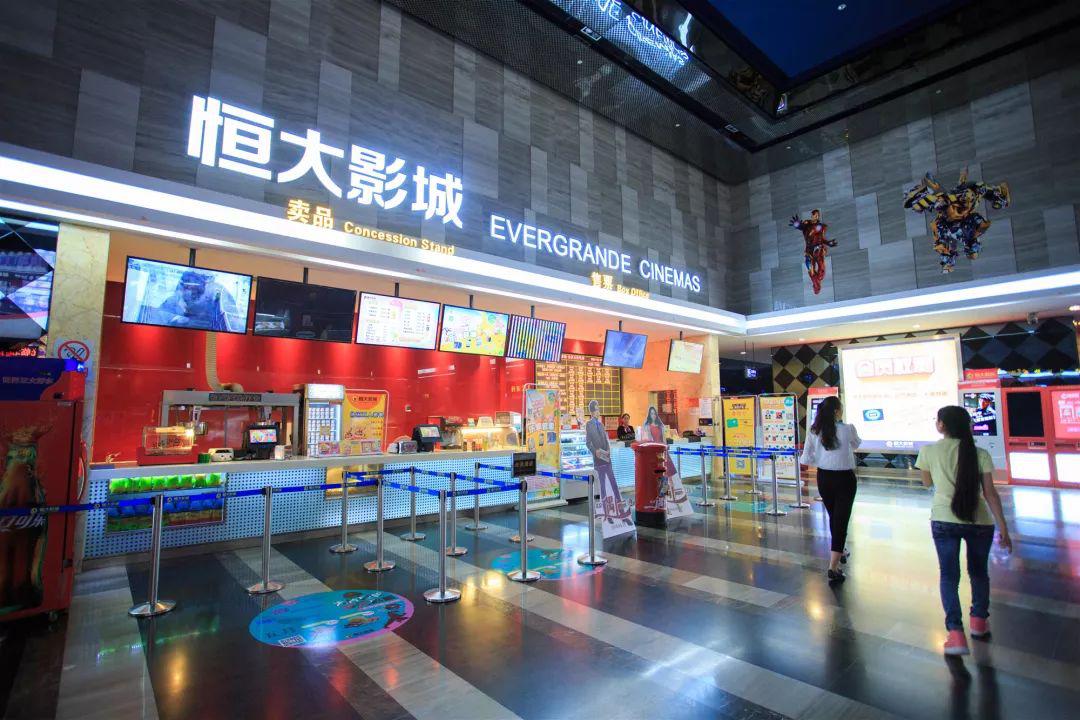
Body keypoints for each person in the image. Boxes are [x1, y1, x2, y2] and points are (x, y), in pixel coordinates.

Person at [916, 405, 1012, 656]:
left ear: (941, 425)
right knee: (979, 573)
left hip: (943, 519)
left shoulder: (928, 451)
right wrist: (1003, 526)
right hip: (979, 521)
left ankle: (956, 634)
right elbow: (990, 493)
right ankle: (978, 623)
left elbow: (926, 483)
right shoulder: (979, 453)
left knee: (949, 575)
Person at [799, 396, 860, 583]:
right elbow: (856, 444)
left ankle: (841, 549)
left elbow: (805, 458)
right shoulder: (848, 429)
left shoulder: (814, 431)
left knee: (835, 516)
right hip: (845, 479)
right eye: (841, 408)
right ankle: (833, 567)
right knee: (841, 520)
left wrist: (820, 459)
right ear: (836, 411)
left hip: (824, 478)